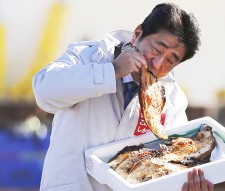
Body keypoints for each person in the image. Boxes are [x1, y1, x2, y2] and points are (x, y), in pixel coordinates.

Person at [33, 3, 214, 191]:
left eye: (170, 60)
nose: (157, 63)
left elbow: (169, 165)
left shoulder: (172, 99)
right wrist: (111, 71)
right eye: (157, 50)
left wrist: (184, 185)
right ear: (137, 34)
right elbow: (44, 92)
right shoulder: (88, 57)